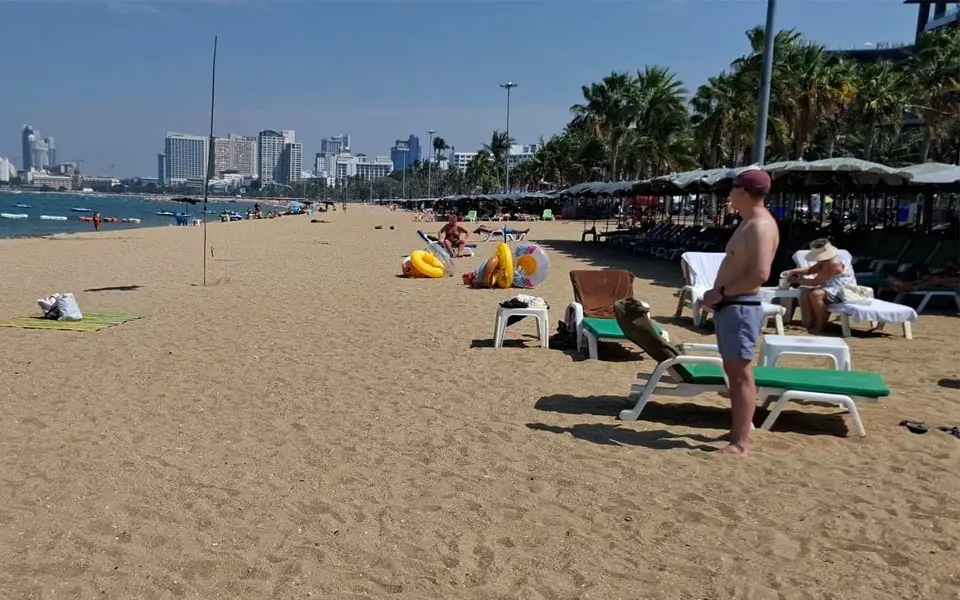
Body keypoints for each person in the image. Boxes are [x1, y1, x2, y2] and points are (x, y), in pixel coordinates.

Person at [700, 169, 780, 456]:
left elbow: (760, 274)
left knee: (740, 375)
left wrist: (721, 293)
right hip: (733, 306)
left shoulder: (760, 225)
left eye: (732, 189)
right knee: (734, 373)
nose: (729, 194)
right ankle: (738, 430)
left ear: (743, 192)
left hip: (741, 307)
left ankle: (740, 443)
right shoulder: (749, 223)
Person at [782, 239, 855, 333]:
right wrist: (792, 271)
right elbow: (810, 270)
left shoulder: (833, 263)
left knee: (815, 294)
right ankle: (809, 322)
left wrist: (796, 280)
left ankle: (821, 323)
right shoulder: (825, 261)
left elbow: (816, 281)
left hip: (842, 290)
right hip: (830, 287)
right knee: (805, 293)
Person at [886, 259, 959, 293]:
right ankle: (904, 285)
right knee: (890, 277)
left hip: (949, 281)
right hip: (935, 277)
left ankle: (906, 287)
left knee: (934, 279)